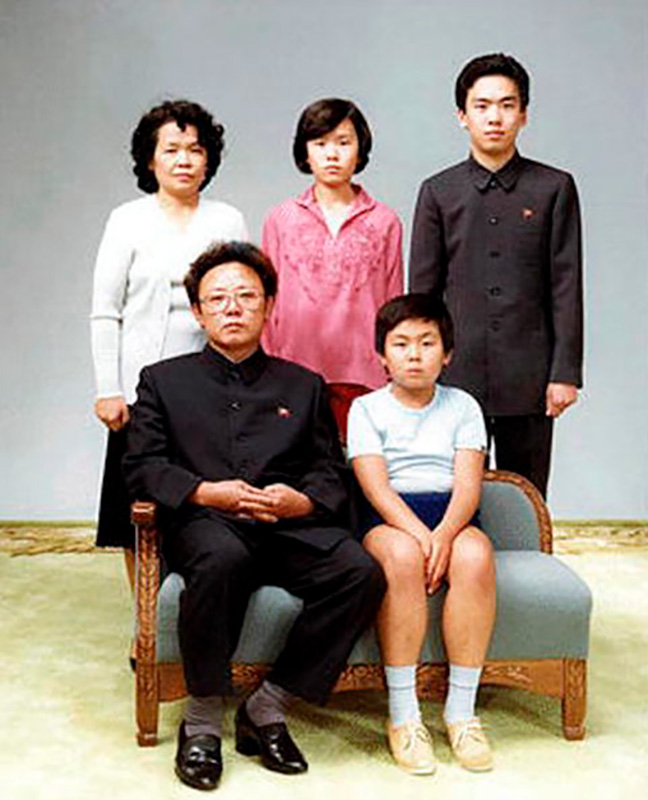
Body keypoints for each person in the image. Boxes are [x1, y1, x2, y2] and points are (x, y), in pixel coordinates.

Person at [123, 241, 386, 791]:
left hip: (287, 523)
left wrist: (304, 501)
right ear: (197, 312)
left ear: (270, 306)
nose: (233, 307)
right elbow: (143, 468)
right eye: (217, 298)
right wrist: (205, 493)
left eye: (247, 296)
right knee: (221, 557)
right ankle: (201, 723)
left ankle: (268, 705)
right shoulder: (162, 381)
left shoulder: (303, 383)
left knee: (359, 572)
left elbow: (328, 470)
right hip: (206, 523)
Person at [90, 99, 248, 602]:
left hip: (215, 391)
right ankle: (149, 625)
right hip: (142, 395)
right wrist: (108, 390)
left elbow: (251, 301)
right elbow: (104, 311)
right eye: (172, 149)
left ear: (209, 159)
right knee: (136, 511)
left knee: (210, 507)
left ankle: (208, 612)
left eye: (195, 150)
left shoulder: (228, 218)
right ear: (151, 159)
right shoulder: (127, 220)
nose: (184, 160)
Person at [409, 53, 583, 497]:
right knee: (455, 492)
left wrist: (564, 372)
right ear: (462, 116)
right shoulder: (438, 191)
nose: (495, 118)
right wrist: (421, 368)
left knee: (526, 494)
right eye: (482, 106)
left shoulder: (553, 188)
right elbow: (423, 295)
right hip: (455, 374)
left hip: (530, 374)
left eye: (507, 105)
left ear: (523, 115)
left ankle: (527, 568)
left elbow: (565, 284)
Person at [347, 294, 496, 775]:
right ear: (382, 355)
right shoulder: (366, 409)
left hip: (451, 513)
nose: (415, 354)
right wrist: (419, 535)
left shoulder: (464, 406)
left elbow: (469, 486)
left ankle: (461, 712)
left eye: (428, 343)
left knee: (475, 558)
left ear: (447, 353)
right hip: (390, 517)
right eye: (402, 343)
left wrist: (446, 533)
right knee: (404, 558)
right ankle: (405, 716)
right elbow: (375, 486)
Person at [262, 97, 403, 388]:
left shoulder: (385, 221)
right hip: (292, 371)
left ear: (360, 149)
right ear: (305, 152)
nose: (332, 154)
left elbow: (394, 303)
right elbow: (267, 302)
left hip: (367, 375)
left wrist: (392, 367)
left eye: (343, 142)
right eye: (320, 143)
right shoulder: (281, 219)